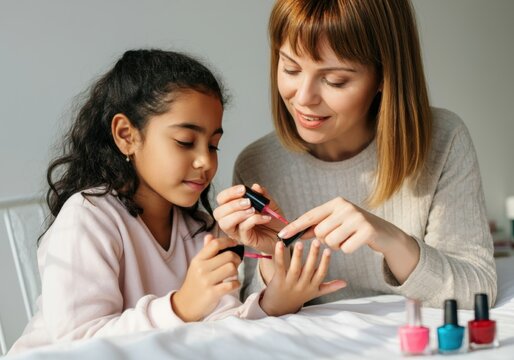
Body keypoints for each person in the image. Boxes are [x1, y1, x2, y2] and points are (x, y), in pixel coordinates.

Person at [9, 49, 345, 354]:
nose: (206, 162)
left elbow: (219, 330)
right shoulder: (88, 217)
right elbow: (77, 344)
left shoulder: (201, 229)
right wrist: (181, 307)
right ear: (127, 135)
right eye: (185, 142)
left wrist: (274, 302)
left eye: (213, 145)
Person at [213, 0, 496, 310]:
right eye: (290, 68)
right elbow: (257, 308)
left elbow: (477, 288)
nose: (304, 98)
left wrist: (389, 238)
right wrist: (274, 255)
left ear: (384, 77)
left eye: (335, 80)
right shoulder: (257, 163)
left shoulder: (443, 139)